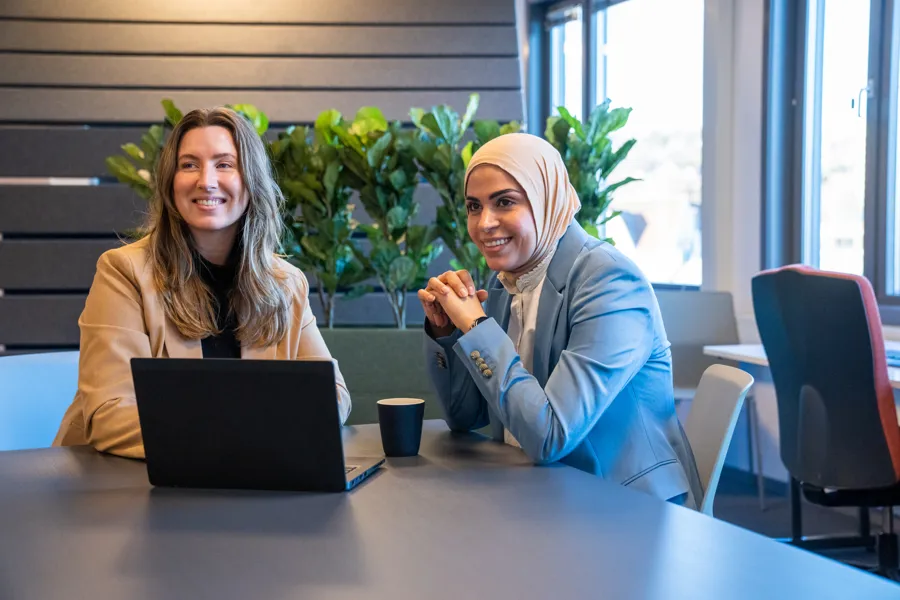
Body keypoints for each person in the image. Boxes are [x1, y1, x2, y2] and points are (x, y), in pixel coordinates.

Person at [419, 133, 702, 507]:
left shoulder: (610, 281)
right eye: (474, 206)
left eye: (504, 202)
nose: (484, 223)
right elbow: (464, 417)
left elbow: (550, 435)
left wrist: (477, 327)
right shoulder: (506, 281)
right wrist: (447, 331)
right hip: (539, 492)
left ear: (545, 198)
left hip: (624, 509)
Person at [53, 107, 351, 459]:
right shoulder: (124, 272)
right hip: (127, 487)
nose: (205, 180)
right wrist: (247, 435)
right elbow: (109, 415)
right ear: (171, 182)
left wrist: (238, 438)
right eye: (189, 164)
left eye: (224, 164)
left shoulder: (285, 284)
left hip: (249, 482)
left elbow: (332, 396)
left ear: (250, 179)